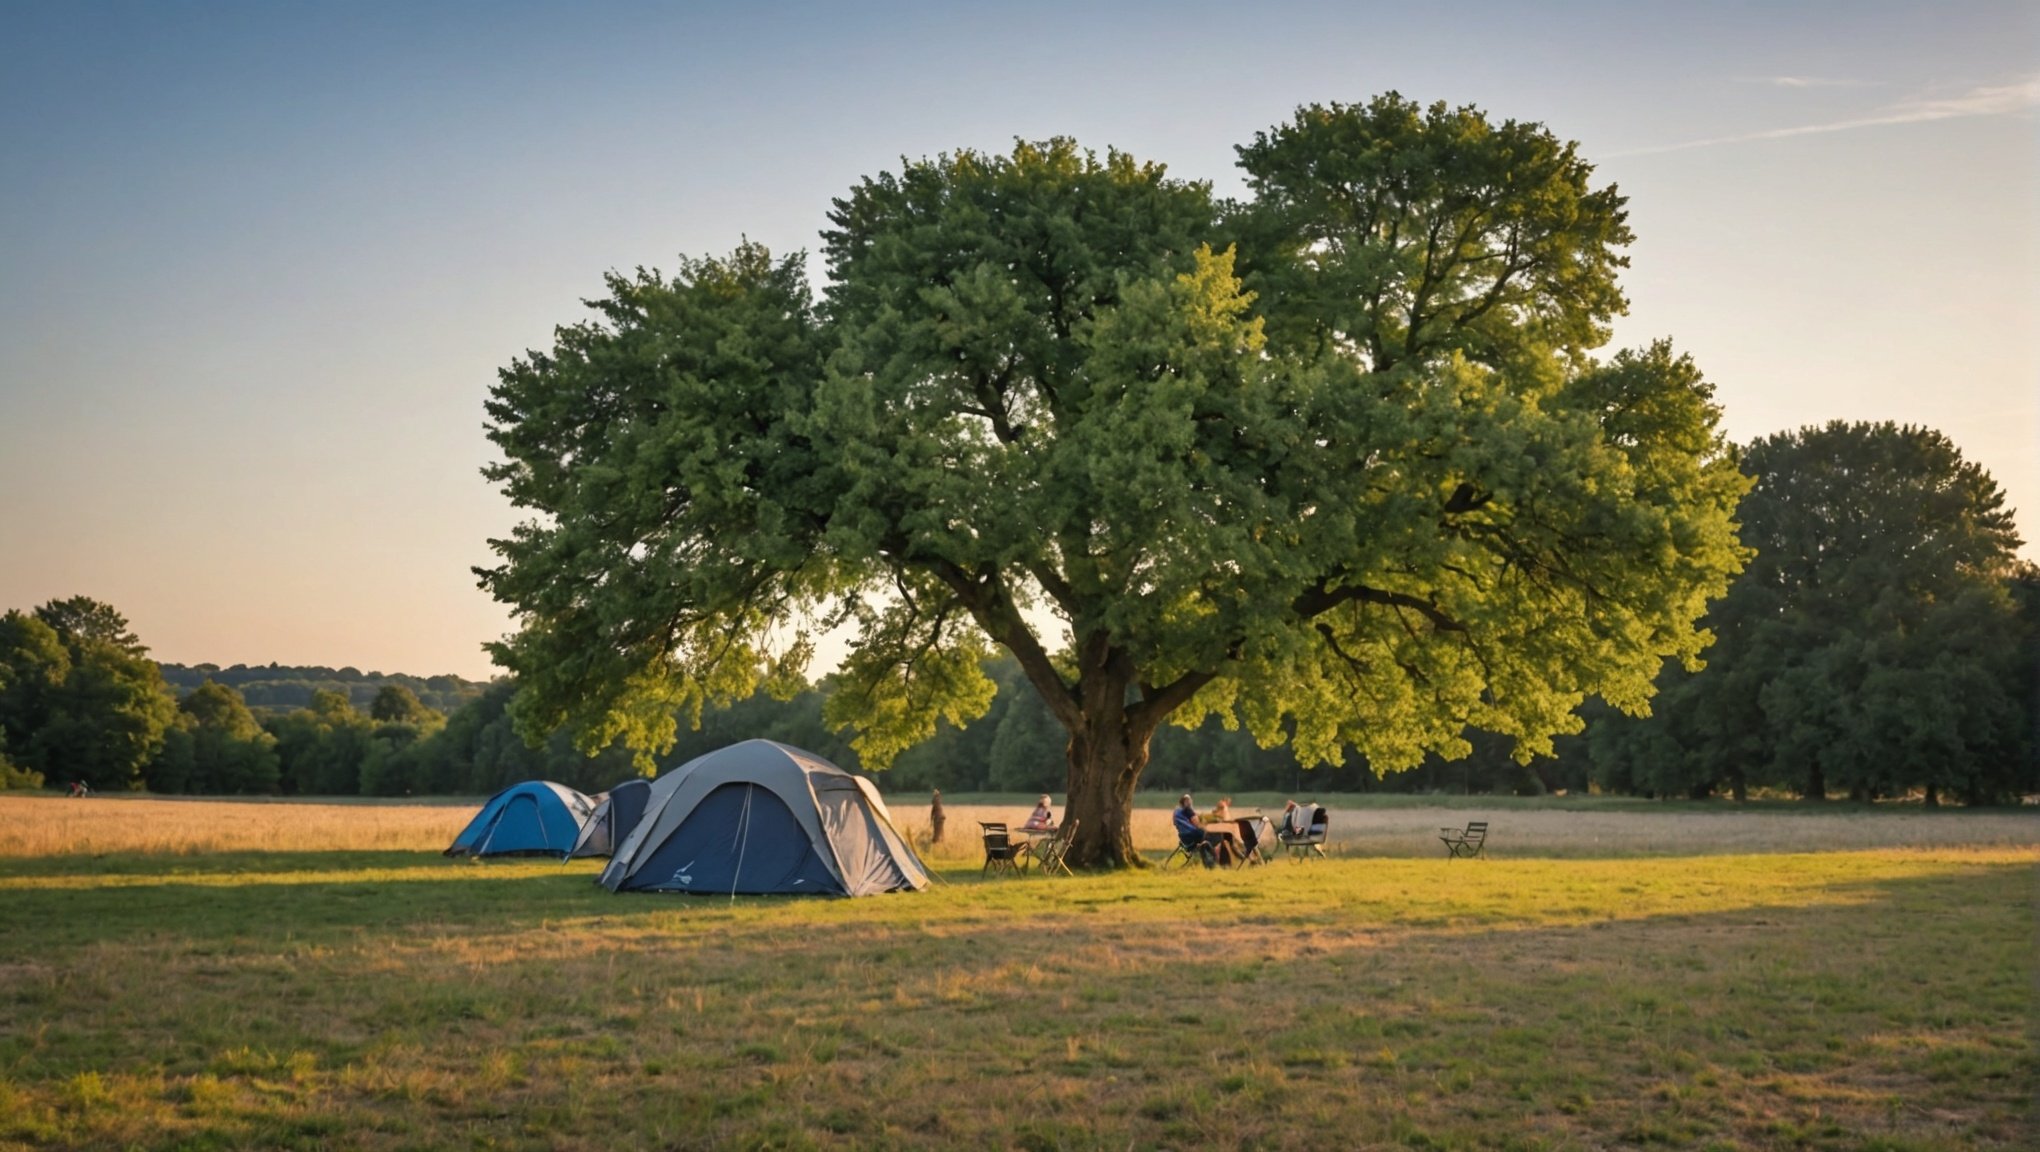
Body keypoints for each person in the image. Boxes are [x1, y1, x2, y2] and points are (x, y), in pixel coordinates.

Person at [1173, 794, 1216, 868]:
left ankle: (1195, 851)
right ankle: (1209, 860)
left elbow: (1175, 823)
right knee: (1204, 834)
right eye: (1189, 801)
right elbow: (1196, 823)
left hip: (1182, 837)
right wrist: (1203, 826)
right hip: (1192, 834)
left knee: (1199, 842)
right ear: (1186, 802)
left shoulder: (1177, 811)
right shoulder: (1188, 810)